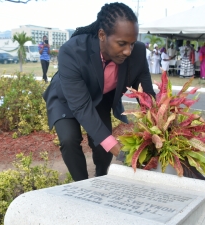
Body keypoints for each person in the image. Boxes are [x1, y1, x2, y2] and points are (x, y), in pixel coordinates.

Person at [42, 2, 156, 181]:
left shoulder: (138, 53)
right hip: (66, 97)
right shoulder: (72, 51)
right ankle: (82, 185)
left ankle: (101, 179)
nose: (128, 51)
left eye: (132, 44)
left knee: (102, 145)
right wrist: (119, 151)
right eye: (122, 44)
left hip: (101, 97)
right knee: (69, 140)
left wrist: (159, 130)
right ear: (102, 35)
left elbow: (147, 98)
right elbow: (81, 108)